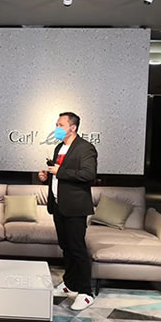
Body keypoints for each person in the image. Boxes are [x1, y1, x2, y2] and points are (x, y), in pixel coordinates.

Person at [38, 112, 97, 311]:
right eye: (56, 124)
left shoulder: (85, 148)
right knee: (66, 247)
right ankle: (70, 283)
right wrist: (46, 177)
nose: (57, 128)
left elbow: (89, 174)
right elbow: (58, 176)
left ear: (73, 127)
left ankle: (86, 292)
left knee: (77, 248)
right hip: (59, 205)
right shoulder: (59, 147)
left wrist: (59, 172)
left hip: (75, 207)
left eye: (61, 125)